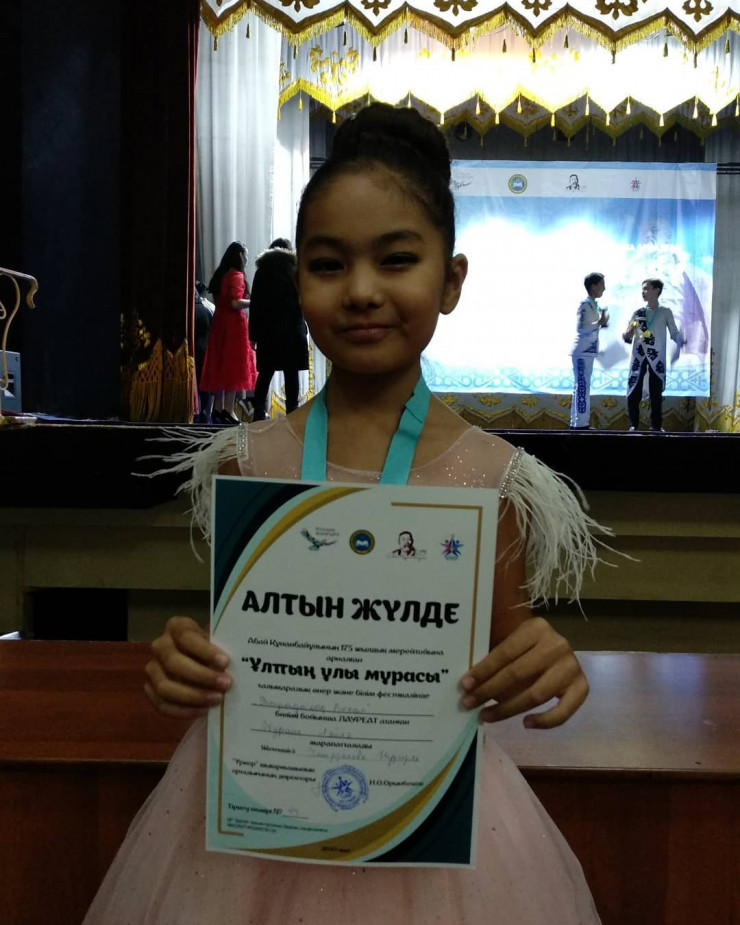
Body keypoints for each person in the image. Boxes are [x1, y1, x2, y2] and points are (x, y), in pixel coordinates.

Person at [84, 104, 609, 924]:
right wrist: (184, 659)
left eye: (397, 259)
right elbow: (245, 640)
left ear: (451, 279)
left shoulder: (492, 477)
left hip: (427, 817)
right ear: (299, 284)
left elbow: (510, 651)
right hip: (259, 813)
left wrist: (547, 664)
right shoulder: (250, 458)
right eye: (329, 265)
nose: (362, 291)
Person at [249, 237, 309, 420]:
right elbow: (303, 302)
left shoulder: (262, 272)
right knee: (291, 374)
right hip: (292, 331)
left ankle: (259, 412)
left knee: (265, 373)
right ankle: (292, 413)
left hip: (268, 333)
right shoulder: (295, 271)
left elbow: (255, 306)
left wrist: (253, 335)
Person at [199, 241, 257, 426]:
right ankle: (229, 409)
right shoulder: (236, 275)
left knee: (220, 364)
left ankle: (217, 408)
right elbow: (235, 303)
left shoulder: (221, 275)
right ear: (240, 255)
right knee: (234, 365)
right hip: (234, 325)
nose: (247, 259)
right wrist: (254, 301)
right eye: (246, 255)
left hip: (219, 323)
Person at [623, 278, 684, 432]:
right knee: (634, 390)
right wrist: (627, 334)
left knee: (656, 392)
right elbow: (628, 334)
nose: (643, 292)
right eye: (642, 289)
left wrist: (682, 340)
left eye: (646, 288)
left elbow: (674, 333)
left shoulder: (665, 312)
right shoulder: (638, 313)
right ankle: (633, 425)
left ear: (656, 290)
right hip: (639, 356)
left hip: (656, 356)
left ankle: (656, 426)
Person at [569, 272, 608, 430]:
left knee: (581, 386)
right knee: (582, 387)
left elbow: (592, 327)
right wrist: (599, 323)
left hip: (587, 352)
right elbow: (581, 328)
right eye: (602, 285)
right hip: (582, 353)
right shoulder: (585, 304)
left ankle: (576, 422)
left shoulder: (593, 305)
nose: (604, 288)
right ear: (594, 286)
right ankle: (580, 424)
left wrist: (601, 323)